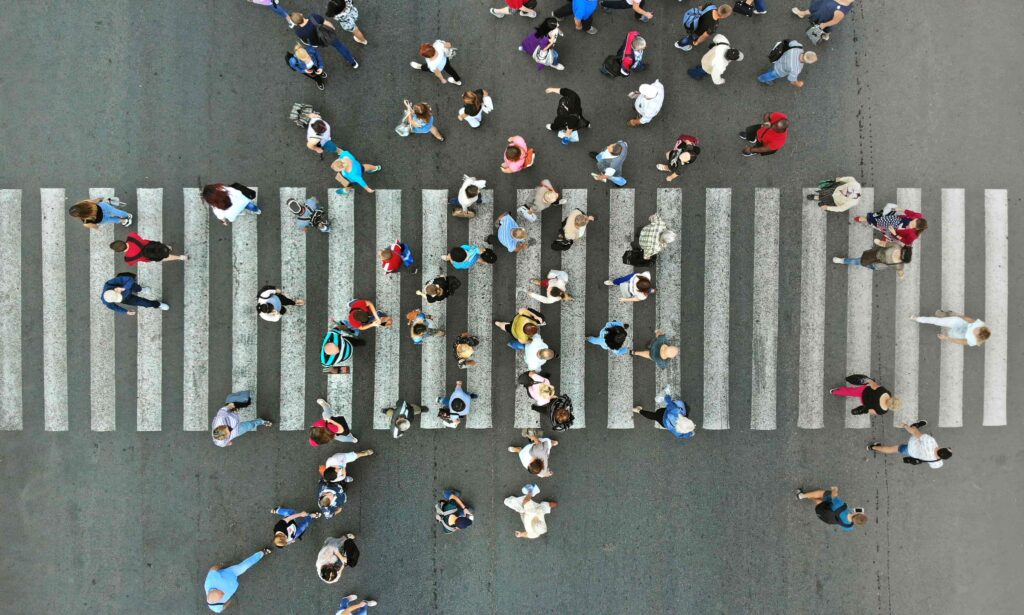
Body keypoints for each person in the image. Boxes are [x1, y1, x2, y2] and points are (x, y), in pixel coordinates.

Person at [204, 549, 271, 612]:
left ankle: (261, 553)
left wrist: (222, 564)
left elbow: (214, 568)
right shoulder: (215, 607)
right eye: (222, 596)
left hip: (230, 573)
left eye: (221, 592)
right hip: (233, 583)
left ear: (214, 589)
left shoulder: (211, 581)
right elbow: (222, 608)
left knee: (244, 566)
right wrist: (229, 602)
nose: (224, 593)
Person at [289, 11, 359, 68]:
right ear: (301, 14)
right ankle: (352, 62)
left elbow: (305, 41)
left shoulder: (299, 32)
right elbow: (327, 23)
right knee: (340, 47)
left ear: (295, 23)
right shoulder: (314, 17)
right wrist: (333, 29)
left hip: (319, 42)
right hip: (328, 37)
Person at [868, 421, 952, 468]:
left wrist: (905, 425)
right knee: (893, 449)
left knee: (915, 431)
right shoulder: (938, 463)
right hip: (910, 452)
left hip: (912, 444)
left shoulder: (930, 441)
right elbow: (932, 466)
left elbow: (914, 432)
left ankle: (914, 425)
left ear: (943, 448)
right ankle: (873, 447)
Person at [795, 486, 867, 532]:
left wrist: (835, 489)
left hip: (824, 508)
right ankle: (810, 498)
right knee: (819, 502)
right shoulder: (849, 526)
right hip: (824, 516)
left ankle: (801, 495)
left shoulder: (841, 506)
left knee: (824, 493)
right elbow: (849, 519)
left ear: (857, 513)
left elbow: (834, 495)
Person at [631, 387, 695, 438]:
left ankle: (664, 395)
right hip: (663, 423)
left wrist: (667, 396)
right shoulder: (678, 433)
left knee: (680, 403)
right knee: (653, 416)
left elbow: (669, 403)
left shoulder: (676, 411)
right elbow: (684, 435)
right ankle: (638, 410)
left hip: (662, 412)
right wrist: (690, 434)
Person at [832, 238, 910, 278]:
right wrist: (879, 242)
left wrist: (901, 276)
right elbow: (885, 244)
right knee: (858, 261)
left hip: (876, 264)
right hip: (873, 257)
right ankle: (843, 261)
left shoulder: (899, 263)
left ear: (903, 259)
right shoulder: (896, 246)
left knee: (861, 262)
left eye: (901, 255)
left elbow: (900, 271)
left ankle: (842, 261)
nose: (899, 252)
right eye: (902, 251)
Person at [855, 204, 928, 246]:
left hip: (895, 232)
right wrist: (899, 209)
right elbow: (910, 213)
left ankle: (885, 240)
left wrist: (895, 234)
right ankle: (869, 219)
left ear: (917, 228)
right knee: (886, 212)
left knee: (881, 227)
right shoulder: (918, 216)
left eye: (913, 224)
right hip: (895, 220)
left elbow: (906, 242)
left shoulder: (913, 236)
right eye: (914, 220)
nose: (912, 221)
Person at [829, 375, 900, 416]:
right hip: (864, 402)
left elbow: (873, 385)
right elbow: (870, 411)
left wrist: (869, 380)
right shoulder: (883, 411)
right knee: (851, 394)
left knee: (850, 392)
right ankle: (834, 392)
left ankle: (836, 391)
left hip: (864, 391)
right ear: (891, 408)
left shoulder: (885, 392)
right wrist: (862, 410)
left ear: (893, 398)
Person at [101, 272, 168, 315]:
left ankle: (141, 289)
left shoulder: (109, 284)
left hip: (126, 287)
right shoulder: (107, 301)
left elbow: (129, 279)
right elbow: (114, 307)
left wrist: (124, 288)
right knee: (144, 303)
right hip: (125, 299)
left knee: (136, 287)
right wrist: (126, 312)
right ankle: (158, 304)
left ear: (114, 290)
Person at [911, 311, 990, 347]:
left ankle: (948, 314)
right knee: (937, 321)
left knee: (947, 326)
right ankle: (917, 318)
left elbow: (960, 341)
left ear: (978, 336)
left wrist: (946, 338)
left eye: (977, 331)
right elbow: (969, 320)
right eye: (979, 328)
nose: (976, 328)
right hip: (958, 322)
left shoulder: (973, 341)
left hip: (957, 333)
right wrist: (958, 316)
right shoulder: (980, 325)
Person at [110, 232, 187, 265]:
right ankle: (167, 248)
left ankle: (181, 257)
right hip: (151, 244)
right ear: (122, 241)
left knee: (164, 257)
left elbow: (131, 263)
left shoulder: (129, 259)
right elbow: (135, 234)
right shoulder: (131, 236)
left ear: (120, 251)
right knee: (160, 246)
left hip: (151, 256)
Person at [68, 197, 133, 228]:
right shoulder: (85, 202)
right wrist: (100, 198)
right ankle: (127, 215)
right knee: (115, 211)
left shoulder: (85, 222)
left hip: (102, 219)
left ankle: (124, 220)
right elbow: (95, 201)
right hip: (102, 207)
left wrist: (96, 227)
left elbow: (95, 226)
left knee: (112, 220)